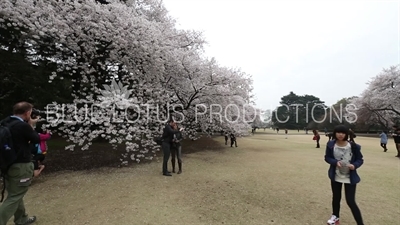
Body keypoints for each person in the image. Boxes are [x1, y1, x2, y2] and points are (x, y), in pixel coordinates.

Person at [0, 102, 40, 225]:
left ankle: (21, 218)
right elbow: (36, 139)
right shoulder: (23, 126)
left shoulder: (5, 122)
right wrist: (31, 125)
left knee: (16, 193)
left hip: (8, 163)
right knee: (15, 196)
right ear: (27, 113)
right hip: (21, 165)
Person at [324, 125, 364, 225]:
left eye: (343, 133)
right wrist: (335, 162)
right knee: (336, 197)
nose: (340, 135)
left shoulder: (354, 146)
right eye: (338, 132)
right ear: (335, 133)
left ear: (346, 134)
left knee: (350, 201)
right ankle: (335, 217)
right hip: (336, 175)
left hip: (349, 177)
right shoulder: (330, 144)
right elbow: (327, 157)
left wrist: (354, 165)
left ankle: (360, 223)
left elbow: (360, 159)